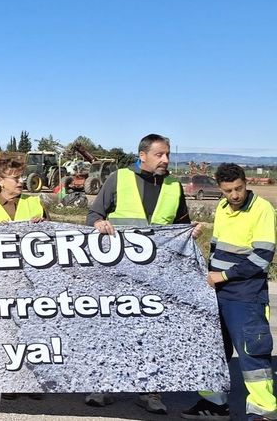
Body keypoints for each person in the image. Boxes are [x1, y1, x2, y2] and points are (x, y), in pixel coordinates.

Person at [85, 133, 197, 413]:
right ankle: (103, 386)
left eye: (168, 154)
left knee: (154, 333)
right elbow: (93, 216)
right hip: (120, 272)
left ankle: (150, 392)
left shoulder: (173, 185)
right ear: (142, 155)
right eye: (160, 154)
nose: (166, 160)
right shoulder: (119, 178)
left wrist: (193, 231)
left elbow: (182, 226)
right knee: (113, 329)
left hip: (158, 276)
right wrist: (99, 224)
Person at [182, 163, 276, 421]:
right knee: (215, 350)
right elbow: (216, 250)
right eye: (228, 191)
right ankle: (214, 404)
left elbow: (262, 258)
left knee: (252, 354)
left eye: (239, 189)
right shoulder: (223, 208)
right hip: (218, 294)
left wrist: (222, 276)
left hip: (246, 296)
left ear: (246, 182)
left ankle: (263, 411)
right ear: (220, 189)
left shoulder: (262, 209)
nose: (234, 195)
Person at [0, 156, 47, 223]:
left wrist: (44, 224)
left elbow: (53, 234)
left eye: (22, 177)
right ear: (0, 181)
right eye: (16, 178)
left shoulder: (35, 202)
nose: (21, 181)